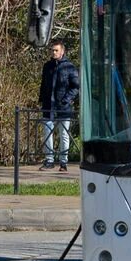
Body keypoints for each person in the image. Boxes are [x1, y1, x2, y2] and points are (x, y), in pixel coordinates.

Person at [39, 39, 80, 171]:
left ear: (62, 51)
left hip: (63, 107)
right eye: (52, 50)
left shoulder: (69, 67)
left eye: (56, 50)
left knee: (64, 134)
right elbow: (43, 85)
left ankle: (63, 162)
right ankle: (49, 160)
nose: (54, 52)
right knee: (47, 133)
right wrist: (41, 100)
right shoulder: (47, 66)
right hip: (48, 105)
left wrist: (66, 100)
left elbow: (75, 87)